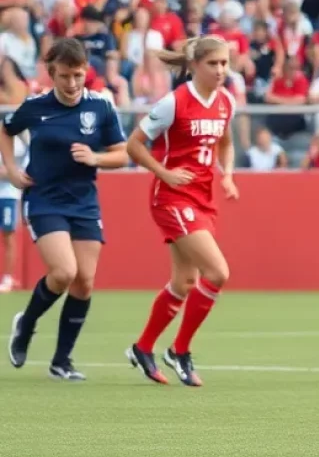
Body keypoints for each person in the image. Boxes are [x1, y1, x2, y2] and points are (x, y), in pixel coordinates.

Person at [3, 39, 129, 380]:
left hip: (84, 201)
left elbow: (122, 153)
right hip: (44, 199)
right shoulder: (35, 106)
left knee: (84, 283)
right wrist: (13, 171)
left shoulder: (101, 107)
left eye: (78, 75)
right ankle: (26, 323)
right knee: (64, 272)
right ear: (51, 73)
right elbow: (6, 128)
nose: (72, 83)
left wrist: (97, 158)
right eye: (64, 76)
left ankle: (61, 361)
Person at [125, 36, 239, 387]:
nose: (221, 70)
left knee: (185, 282)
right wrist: (164, 173)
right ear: (195, 65)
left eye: (224, 63)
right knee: (218, 272)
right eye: (213, 64)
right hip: (172, 198)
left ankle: (142, 348)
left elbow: (226, 142)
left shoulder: (226, 102)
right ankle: (179, 350)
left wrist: (228, 176)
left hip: (203, 198)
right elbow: (134, 145)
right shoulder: (174, 103)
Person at [0, 128, 28, 293]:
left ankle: (8, 278)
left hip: (9, 196)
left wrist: (9, 172)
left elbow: (21, 172)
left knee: (8, 236)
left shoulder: (18, 144)